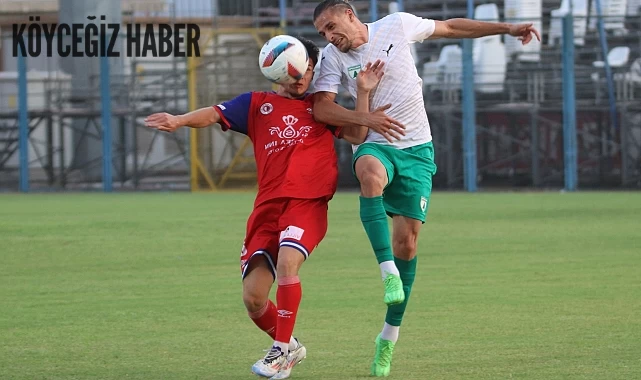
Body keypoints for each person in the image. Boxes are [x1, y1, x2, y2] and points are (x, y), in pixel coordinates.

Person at [310, 1, 541, 376]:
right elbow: (321, 109)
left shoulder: (396, 26)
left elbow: (452, 28)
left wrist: (506, 29)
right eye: (322, 33)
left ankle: (388, 337)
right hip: (377, 143)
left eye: (332, 26)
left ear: (350, 14)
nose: (329, 36)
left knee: (409, 244)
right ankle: (387, 272)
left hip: (417, 150)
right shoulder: (332, 57)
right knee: (368, 173)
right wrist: (364, 117)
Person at [145, 37, 390, 379]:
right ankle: (290, 345)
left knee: (290, 264)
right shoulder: (257, 104)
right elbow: (215, 113)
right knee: (254, 299)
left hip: (306, 203)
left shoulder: (321, 107)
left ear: (311, 66)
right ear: (277, 75)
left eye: (306, 69)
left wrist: (362, 92)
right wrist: (179, 120)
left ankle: (280, 352)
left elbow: (358, 133)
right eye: (294, 73)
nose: (301, 77)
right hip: (267, 209)